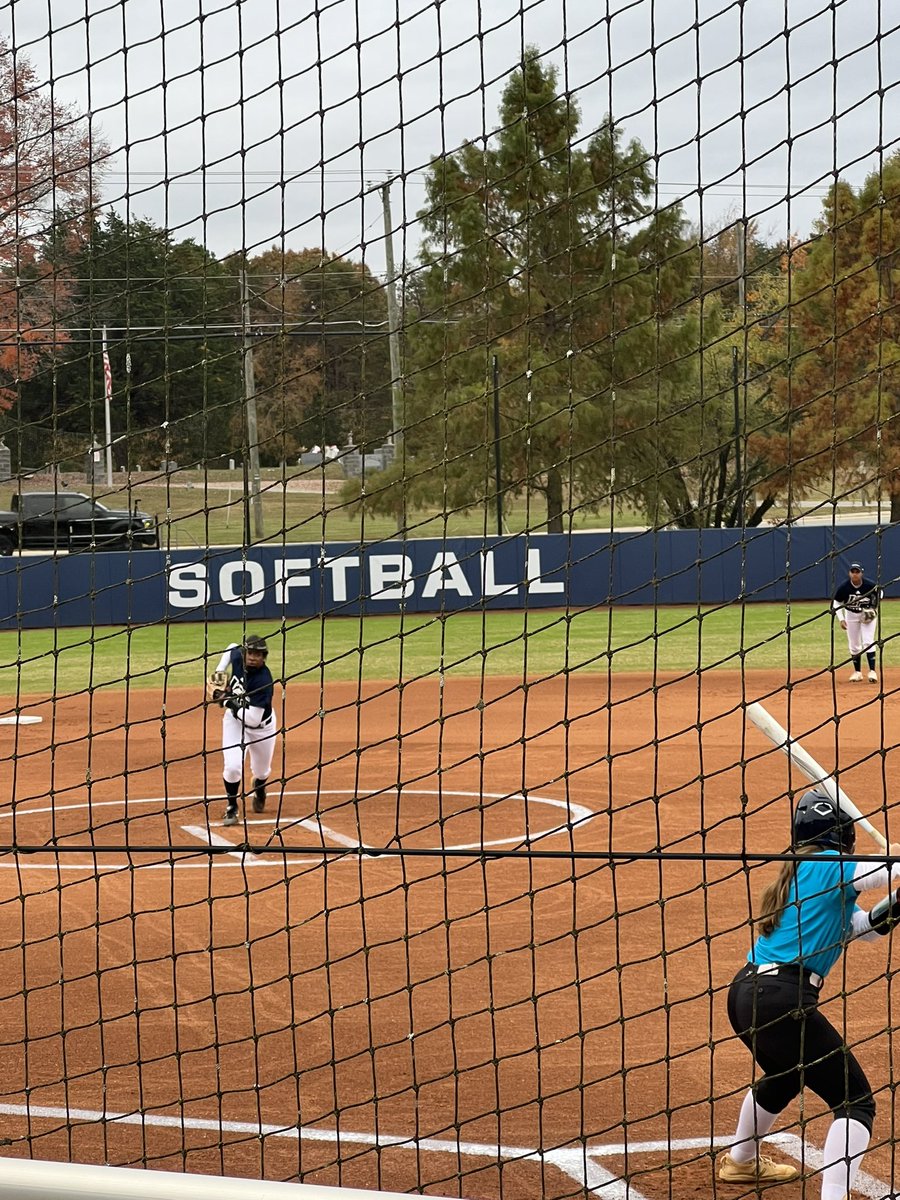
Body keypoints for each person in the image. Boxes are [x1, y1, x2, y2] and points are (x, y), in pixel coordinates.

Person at [718, 790, 900, 1196]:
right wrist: (895, 859)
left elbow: (863, 928)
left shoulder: (805, 874)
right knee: (856, 1101)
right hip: (781, 1000)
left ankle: (741, 1163)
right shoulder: (827, 865)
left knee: (786, 1075)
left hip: (746, 997)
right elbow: (878, 872)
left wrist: (897, 898)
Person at [207, 634, 276, 826]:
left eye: (258, 654)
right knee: (233, 766)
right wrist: (219, 674)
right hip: (235, 723)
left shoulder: (264, 681)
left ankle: (259, 785)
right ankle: (232, 806)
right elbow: (231, 646)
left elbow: (253, 720)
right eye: (250, 653)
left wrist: (227, 700)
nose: (253, 657)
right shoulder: (238, 656)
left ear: (264, 657)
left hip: (261, 726)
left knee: (262, 770)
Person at [832, 562, 882, 683]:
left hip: (867, 615)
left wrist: (873, 605)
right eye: (853, 572)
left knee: (868, 641)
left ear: (861, 573)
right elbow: (836, 602)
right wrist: (841, 619)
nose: (855, 574)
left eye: (857, 572)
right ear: (849, 573)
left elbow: (879, 592)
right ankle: (857, 672)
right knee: (854, 644)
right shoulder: (844, 587)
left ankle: (872, 671)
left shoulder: (869, 585)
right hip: (851, 615)